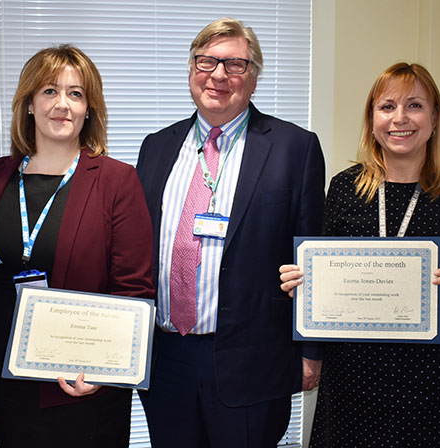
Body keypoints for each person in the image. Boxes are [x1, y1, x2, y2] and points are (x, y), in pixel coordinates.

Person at [280, 62, 440, 447]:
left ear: (434, 118)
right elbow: (323, 277)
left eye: (414, 106)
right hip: (352, 381)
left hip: (438, 384)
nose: (400, 119)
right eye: (387, 106)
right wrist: (305, 286)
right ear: (372, 119)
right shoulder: (345, 187)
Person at [136, 17, 325, 447]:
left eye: (235, 65)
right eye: (207, 62)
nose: (218, 75)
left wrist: (311, 352)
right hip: (166, 362)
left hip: (252, 362)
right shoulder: (156, 146)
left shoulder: (295, 148)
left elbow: (309, 253)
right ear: (190, 71)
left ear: (253, 78)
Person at [0, 44, 154, 447]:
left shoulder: (116, 180)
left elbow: (135, 289)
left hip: (80, 384)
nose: (62, 105)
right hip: (5, 379)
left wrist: (102, 373)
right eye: (50, 91)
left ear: (89, 109)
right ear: (30, 104)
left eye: (76, 94)